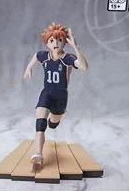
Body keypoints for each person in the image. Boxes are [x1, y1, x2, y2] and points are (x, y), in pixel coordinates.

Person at [22, 23, 86, 173]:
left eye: (59, 40)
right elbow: (36, 56)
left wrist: (76, 47)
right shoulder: (44, 56)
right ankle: (38, 154)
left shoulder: (67, 58)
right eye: (52, 40)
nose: (56, 43)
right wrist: (29, 68)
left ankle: (53, 120)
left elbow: (84, 67)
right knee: (40, 123)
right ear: (47, 43)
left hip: (60, 97)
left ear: (65, 42)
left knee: (52, 124)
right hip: (47, 94)